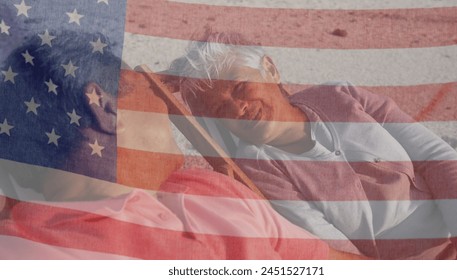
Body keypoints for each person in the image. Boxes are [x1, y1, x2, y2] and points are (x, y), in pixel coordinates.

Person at [0, 30, 331, 259]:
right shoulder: (28, 254)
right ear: (105, 109)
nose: (167, 106)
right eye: (152, 88)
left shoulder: (210, 191)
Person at [171, 31, 457, 259]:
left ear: (269, 70)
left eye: (241, 87)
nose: (237, 109)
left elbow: (437, 159)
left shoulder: (342, 96)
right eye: (219, 109)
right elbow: (337, 251)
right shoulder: (260, 169)